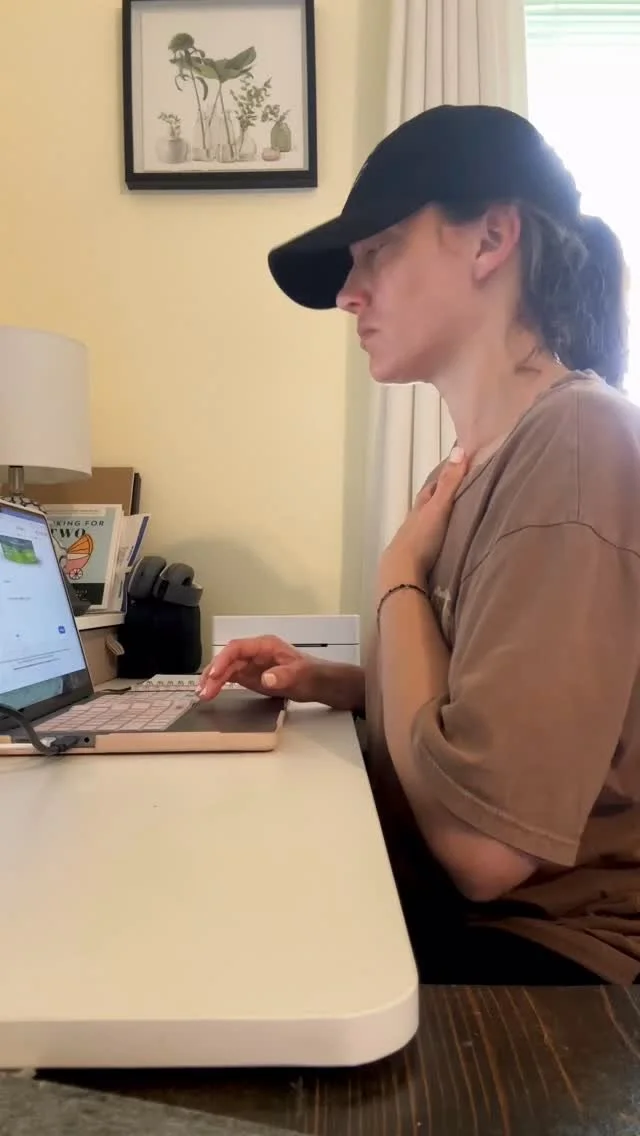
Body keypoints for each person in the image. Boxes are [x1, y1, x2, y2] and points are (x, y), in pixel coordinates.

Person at [199, 105, 640, 985]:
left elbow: (482, 848)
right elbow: (478, 704)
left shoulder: (577, 444)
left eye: (379, 250)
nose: (348, 294)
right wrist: (339, 684)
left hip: (554, 954)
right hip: (460, 912)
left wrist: (397, 572)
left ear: (491, 239)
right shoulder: (477, 467)